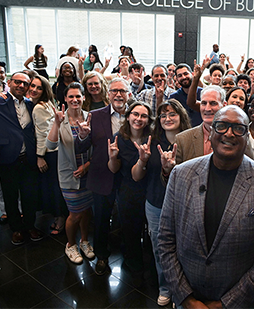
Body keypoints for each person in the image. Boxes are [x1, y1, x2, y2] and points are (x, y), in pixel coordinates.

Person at [158, 105, 254, 308]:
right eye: (222, 126)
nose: (229, 133)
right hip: (186, 297)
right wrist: (186, 297)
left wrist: (225, 304)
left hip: (238, 302)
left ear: (247, 135)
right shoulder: (181, 174)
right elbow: (165, 239)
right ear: (211, 133)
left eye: (238, 128)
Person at [133, 99, 191, 306]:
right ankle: (165, 286)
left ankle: (183, 291)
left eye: (172, 114)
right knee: (160, 249)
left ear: (181, 116)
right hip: (156, 204)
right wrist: (143, 160)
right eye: (163, 115)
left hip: (184, 207)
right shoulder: (151, 140)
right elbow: (136, 176)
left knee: (184, 249)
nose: (167, 118)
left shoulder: (191, 140)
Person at [75, 77, 132, 275]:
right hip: (102, 176)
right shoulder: (94, 116)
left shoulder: (137, 115)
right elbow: (82, 147)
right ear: (108, 94)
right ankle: (101, 256)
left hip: (129, 177)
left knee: (128, 219)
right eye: (114, 90)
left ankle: (129, 255)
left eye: (122, 91)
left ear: (129, 94)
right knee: (100, 219)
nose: (118, 94)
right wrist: (82, 135)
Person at [46, 82, 94, 264]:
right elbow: (50, 146)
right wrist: (57, 124)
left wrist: (88, 166)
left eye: (78, 96)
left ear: (83, 97)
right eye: (71, 96)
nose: (75, 100)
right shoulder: (60, 118)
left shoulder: (91, 117)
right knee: (75, 214)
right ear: (65, 98)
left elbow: (97, 146)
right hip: (70, 175)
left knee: (87, 211)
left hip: (88, 172)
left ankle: (84, 241)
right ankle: (71, 245)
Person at [107, 101, 153, 277]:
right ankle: (133, 261)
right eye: (135, 114)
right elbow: (113, 168)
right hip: (128, 189)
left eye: (143, 116)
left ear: (148, 120)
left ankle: (150, 260)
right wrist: (112, 158)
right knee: (130, 228)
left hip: (149, 188)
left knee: (149, 228)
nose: (139, 119)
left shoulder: (152, 138)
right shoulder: (119, 138)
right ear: (128, 116)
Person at [0, 72, 42, 245]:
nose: (21, 86)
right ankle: (16, 229)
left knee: (29, 195)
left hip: (28, 158)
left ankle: (30, 225)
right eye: (17, 82)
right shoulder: (1, 101)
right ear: (9, 82)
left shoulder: (31, 105)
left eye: (25, 84)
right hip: (7, 157)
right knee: (10, 197)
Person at [29, 75, 67, 234]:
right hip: (56, 150)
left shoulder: (39, 107)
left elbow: (42, 133)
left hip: (49, 152)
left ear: (44, 90)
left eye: (39, 88)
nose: (34, 90)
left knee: (53, 187)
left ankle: (60, 219)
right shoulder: (47, 104)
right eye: (32, 86)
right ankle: (60, 216)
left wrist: (40, 156)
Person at [175, 85, 225, 164]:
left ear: (224, 105)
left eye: (213, 103)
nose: (207, 109)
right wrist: (166, 170)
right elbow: (175, 174)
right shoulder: (183, 139)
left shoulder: (235, 136)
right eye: (204, 103)